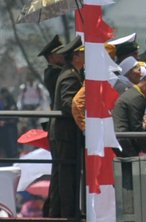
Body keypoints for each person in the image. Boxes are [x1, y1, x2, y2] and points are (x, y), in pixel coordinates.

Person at [46, 36, 85, 218]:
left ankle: (59, 212)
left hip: (64, 133)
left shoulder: (72, 72)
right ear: (75, 56)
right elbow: (68, 103)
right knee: (66, 175)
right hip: (65, 133)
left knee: (62, 174)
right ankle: (67, 213)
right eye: (83, 53)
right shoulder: (70, 75)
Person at [38, 35, 65, 108]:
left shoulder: (59, 70)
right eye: (60, 53)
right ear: (51, 57)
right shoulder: (52, 74)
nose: (63, 55)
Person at [0, 88, 18, 163]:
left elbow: (14, 115)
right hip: (2, 128)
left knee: (11, 146)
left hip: (9, 127)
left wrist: (5, 122)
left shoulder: (10, 101)